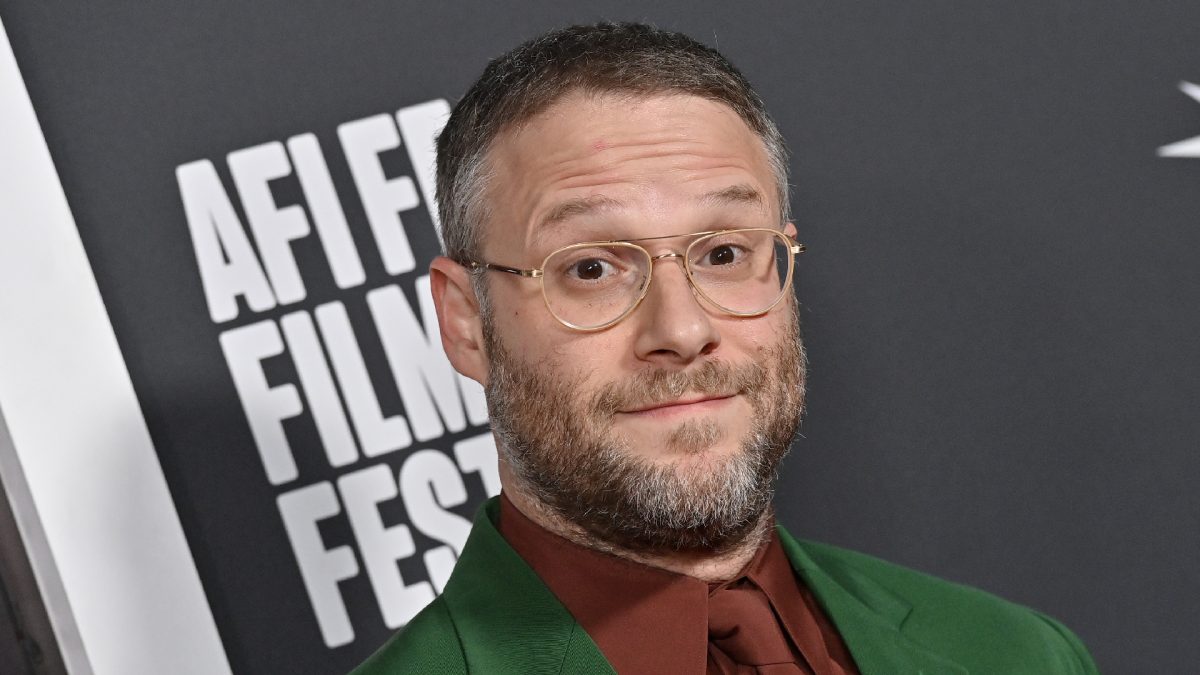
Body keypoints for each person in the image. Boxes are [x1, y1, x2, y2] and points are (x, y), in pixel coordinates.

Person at [353, 22, 1097, 675]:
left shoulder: (1019, 652)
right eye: (591, 268)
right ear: (465, 321)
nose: (681, 330)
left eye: (723, 254)